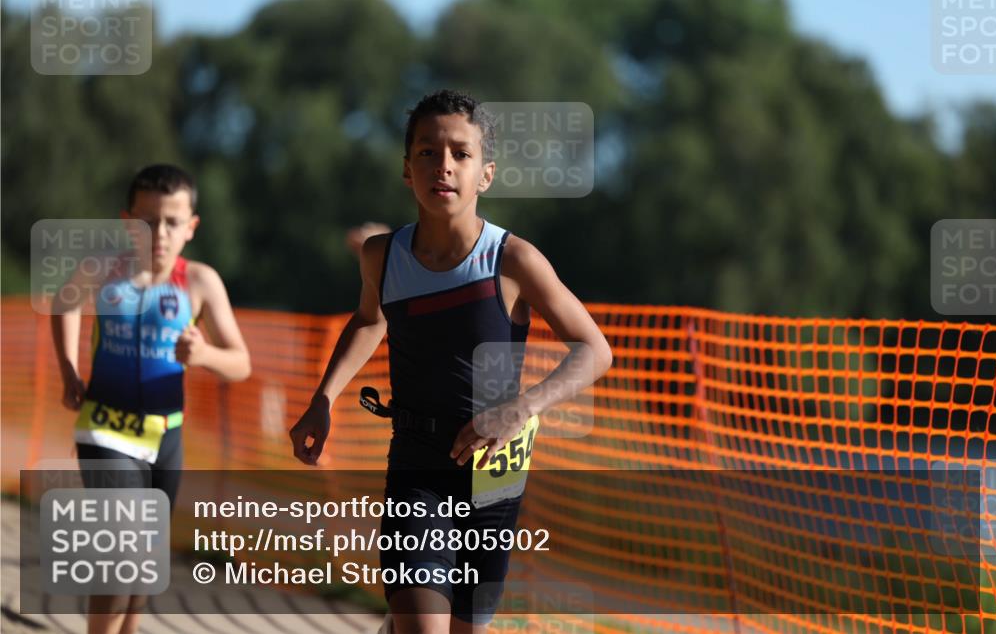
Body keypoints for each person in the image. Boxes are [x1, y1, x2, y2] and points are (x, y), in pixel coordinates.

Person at [289, 90, 612, 634]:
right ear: (406, 169)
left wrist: (521, 407)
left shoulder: (513, 260)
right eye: (427, 152)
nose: (443, 166)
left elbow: (594, 349)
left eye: (460, 154)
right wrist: (323, 400)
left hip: (496, 469)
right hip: (417, 461)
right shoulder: (382, 255)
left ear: (485, 175)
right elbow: (370, 321)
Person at [51, 163, 252, 634]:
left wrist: (204, 354)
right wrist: (67, 369)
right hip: (105, 426)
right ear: (127, 222)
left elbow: (240, 362)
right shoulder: (103, 269)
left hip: (167, 435)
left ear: (191, 226)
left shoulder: (200, 282)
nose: (158, 233)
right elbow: (64, 301)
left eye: (171, 222)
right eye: (146, 221)